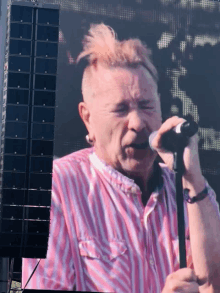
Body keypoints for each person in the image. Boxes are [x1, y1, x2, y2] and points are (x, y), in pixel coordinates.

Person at [22, 23, 220, 292]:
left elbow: (214, 284)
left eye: (146, 105)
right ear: (87, 118)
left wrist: (193, 180)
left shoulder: (189, 190)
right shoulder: (55, 189)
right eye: (120, 109)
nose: (138, 122)